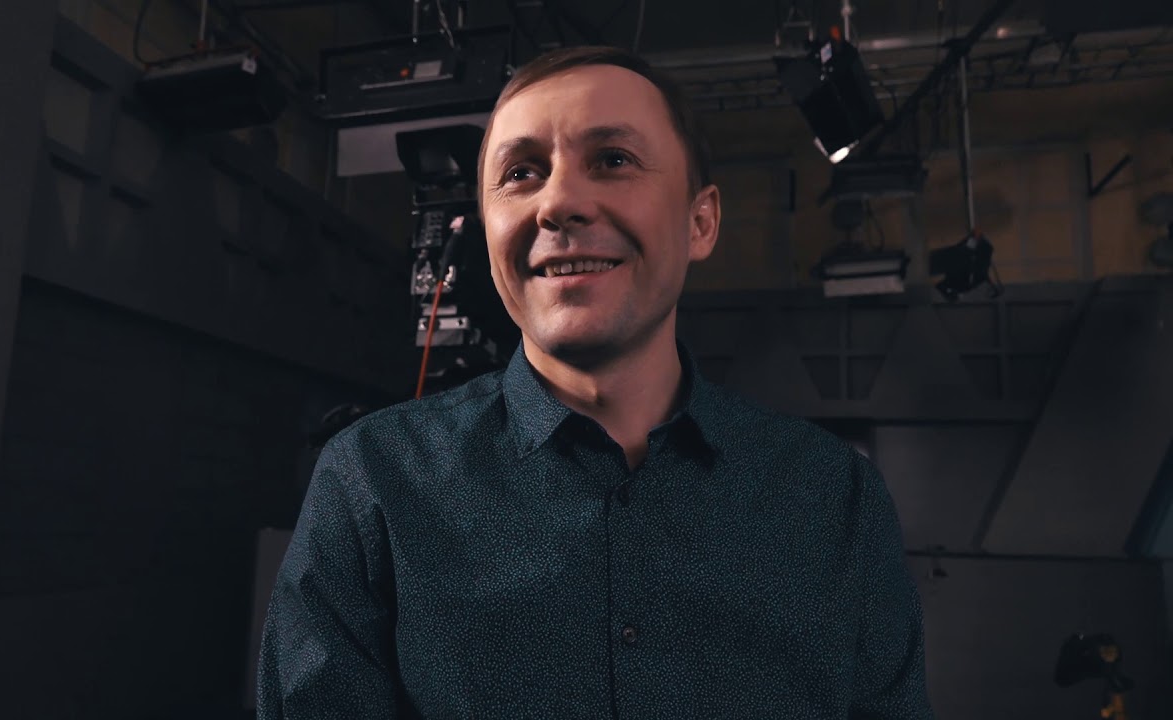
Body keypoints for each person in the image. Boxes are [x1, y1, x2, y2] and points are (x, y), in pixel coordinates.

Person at [257, 45, 933, 719]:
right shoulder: (372, 483)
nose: (557, 203)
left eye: (613, 160)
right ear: (488, 234)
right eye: (521, 173)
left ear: (700, 222)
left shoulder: (834, 498)